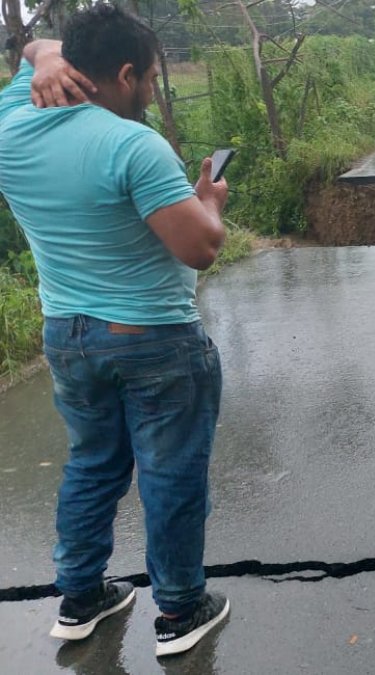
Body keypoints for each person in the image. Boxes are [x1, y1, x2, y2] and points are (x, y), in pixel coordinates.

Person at [0, 4, 229, 658]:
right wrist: (209, 203)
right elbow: (199, 250)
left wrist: (44, 59)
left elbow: (33, 50)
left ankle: (80, 598)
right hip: (153, 338)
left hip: (67, 337)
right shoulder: (132, 144)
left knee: (93, 464)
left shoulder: (10, 124)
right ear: (125, 74)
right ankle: (182, 610)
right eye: (152, 78)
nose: (153, 91)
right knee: (171, 473)